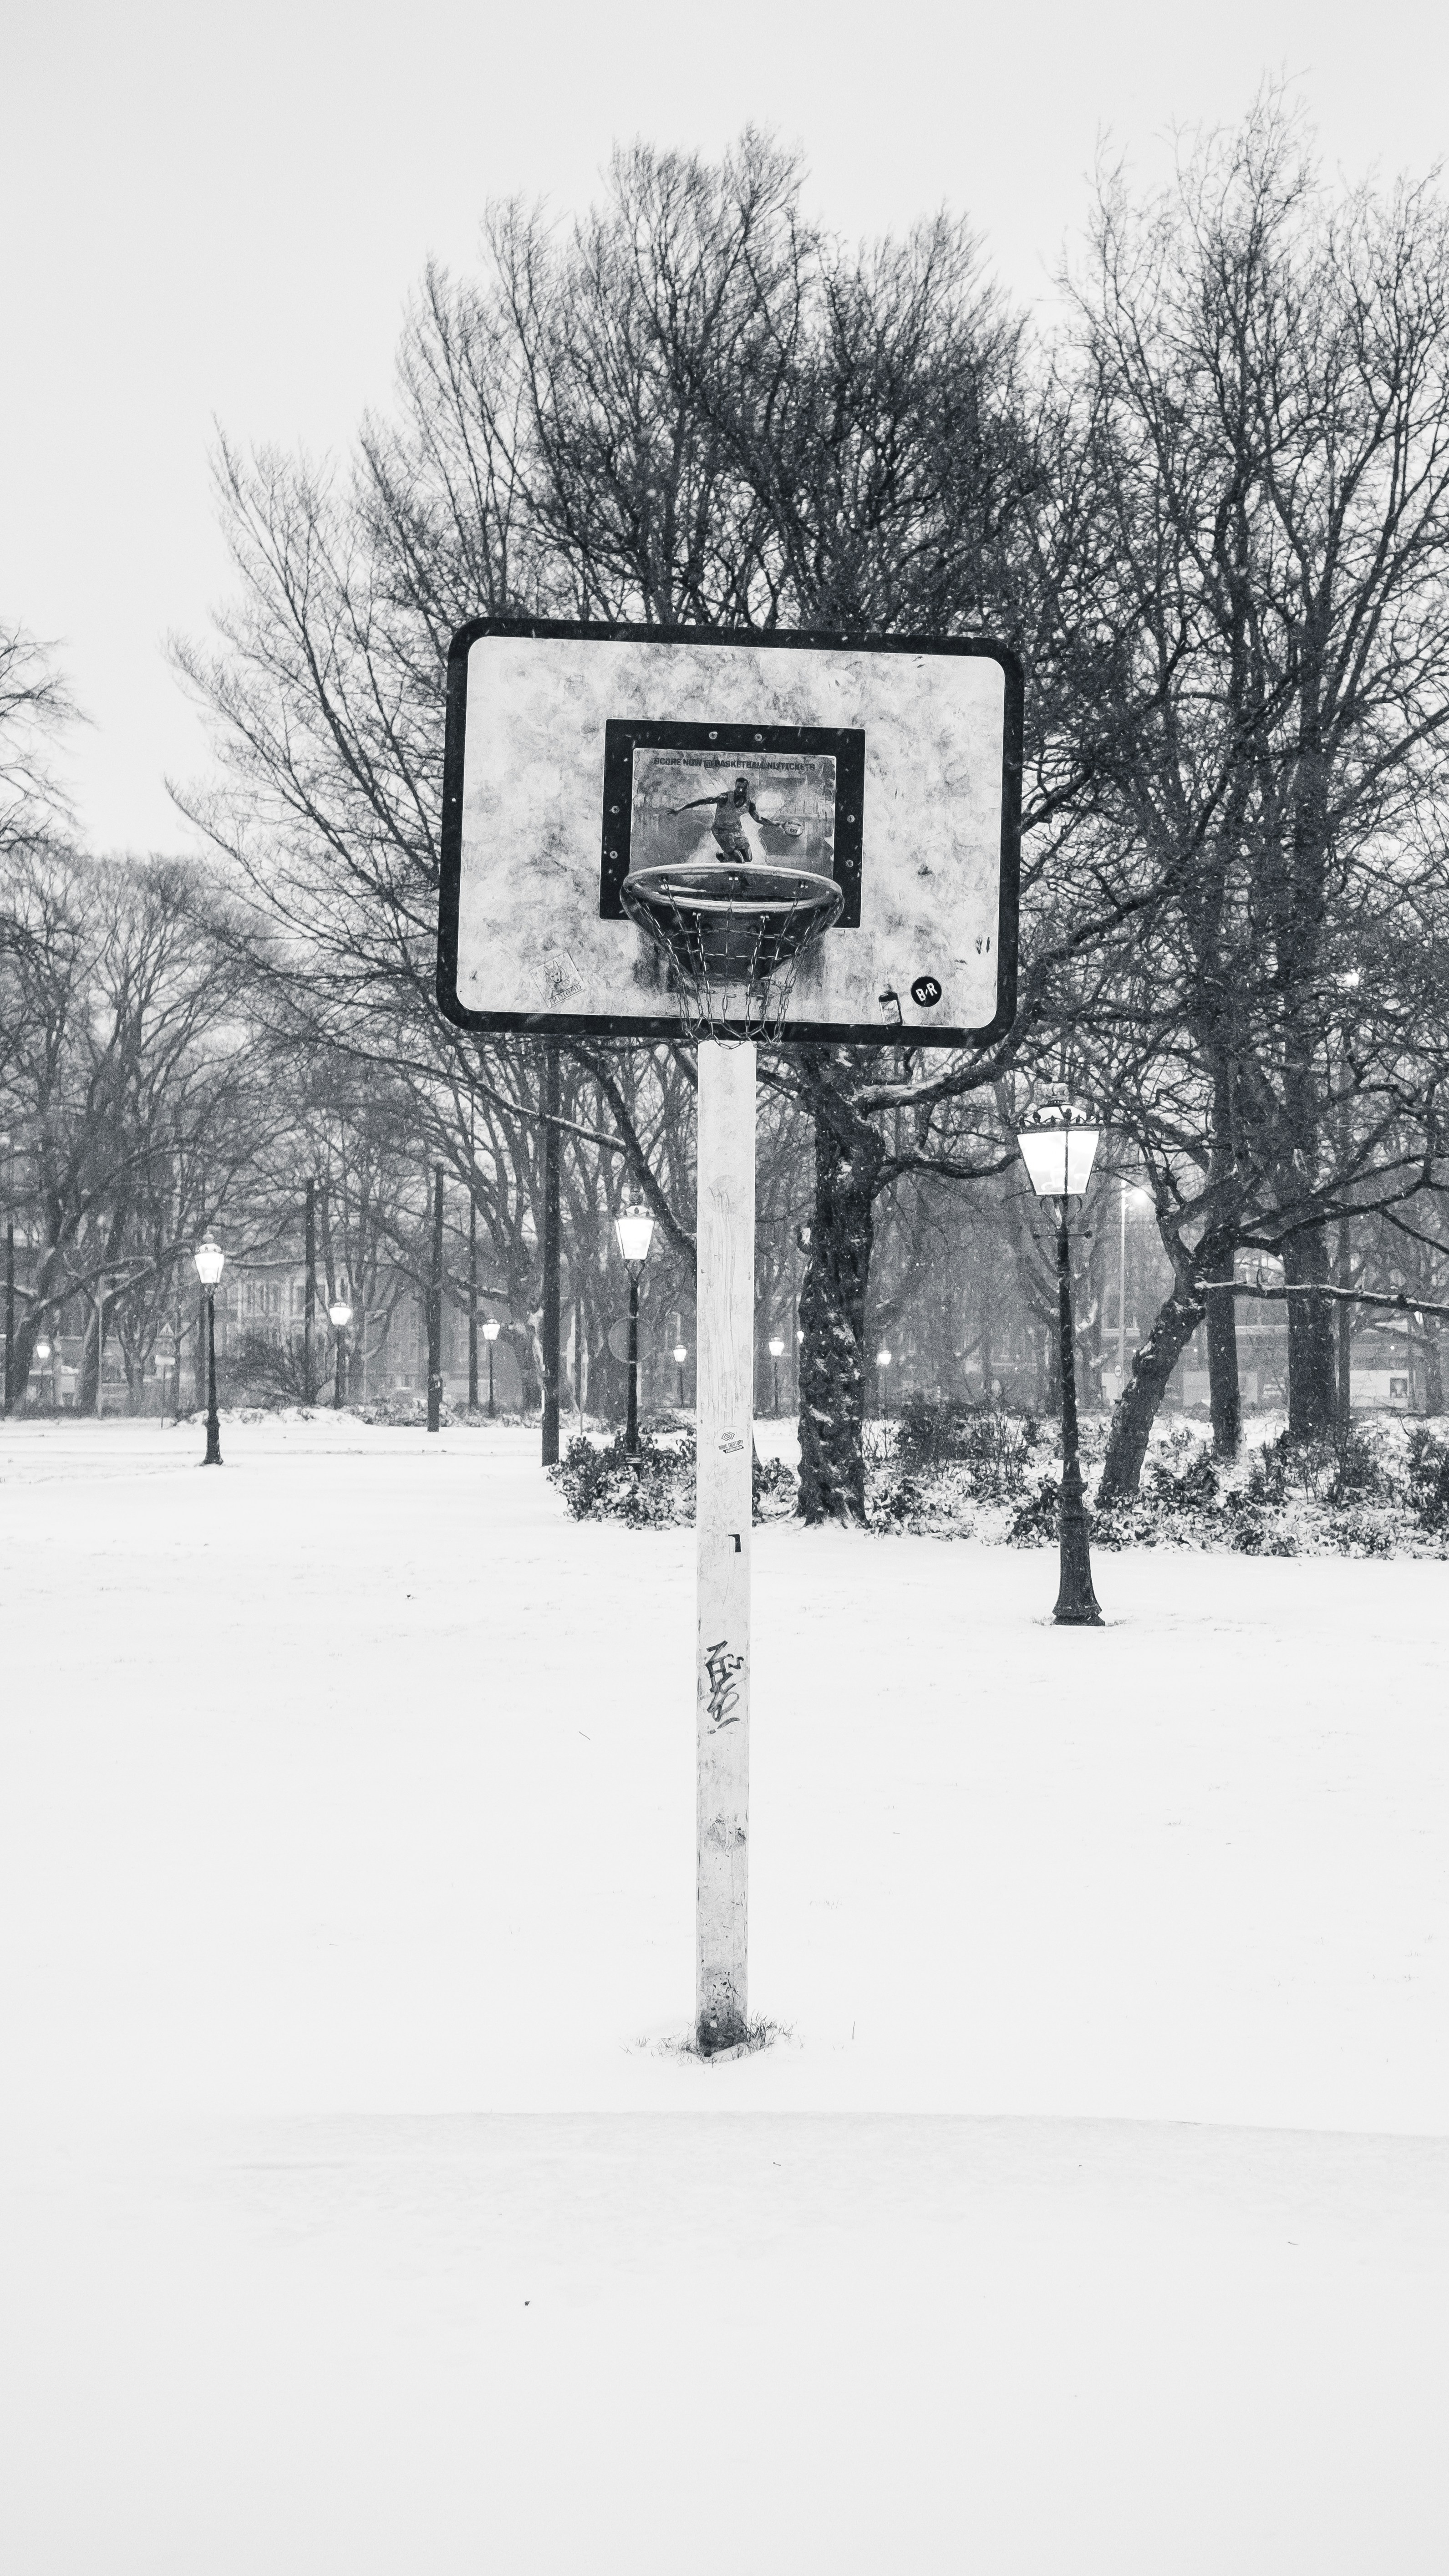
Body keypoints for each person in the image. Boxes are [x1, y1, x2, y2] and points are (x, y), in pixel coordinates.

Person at [673, 772, 802, 865]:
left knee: (749, 858)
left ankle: (725, 856)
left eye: (743, 789)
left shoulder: (749, 804)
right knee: (740, 860)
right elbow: (704, 801)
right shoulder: (724, 798)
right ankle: (741, 880)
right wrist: (681, 809)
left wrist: (778, 824)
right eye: (738, 788)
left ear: (747, 789)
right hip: (721, 831)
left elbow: (759, 819)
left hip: (736, 830)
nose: (740, 790)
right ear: (735, 787)